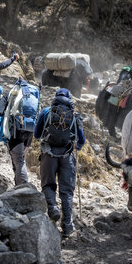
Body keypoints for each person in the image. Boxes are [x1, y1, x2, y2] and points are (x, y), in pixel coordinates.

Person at [34, 88, 85, 237]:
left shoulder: (46, 112)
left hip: (48, 155)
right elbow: (81, 140)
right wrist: (77, 146)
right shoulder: (75, 115)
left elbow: (37, 134)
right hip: (67, 156)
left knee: (48, 185)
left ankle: (53, 208)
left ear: (56, 98)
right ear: (69, 99)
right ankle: (68, 226)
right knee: (67, 192)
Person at [0, 80, 40, 185]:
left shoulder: (11, 94)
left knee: (19, 160)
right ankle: (18, 184)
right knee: (20, 158)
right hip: (29, 131)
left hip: (15, 131)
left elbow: (0, 112)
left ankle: (23, 186)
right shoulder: (34, 97)